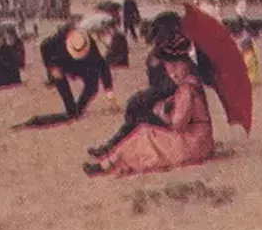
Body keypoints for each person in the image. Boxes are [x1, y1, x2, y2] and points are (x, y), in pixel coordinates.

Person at [84, 44, 214, 177]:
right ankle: (108, 162)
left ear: (187, 64)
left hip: (195, 143)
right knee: (143, 133)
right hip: (197, 140)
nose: (173, 73)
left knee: (145, 134)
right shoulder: (187, 85)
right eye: (169, 68)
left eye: (176, 66)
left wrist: (162, 114)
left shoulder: (186, 88)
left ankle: (107, 164)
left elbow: (178, 124)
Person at [36, 24, 115, 120]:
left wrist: (109, 93)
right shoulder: (54, 43)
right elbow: (43, 46)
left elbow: (103, 66)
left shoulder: (88, 44)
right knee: (58, 78)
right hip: (64, 63)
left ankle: (79, 108)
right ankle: (71, 109)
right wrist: (50, 67)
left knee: (93, 85)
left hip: (84, 64)